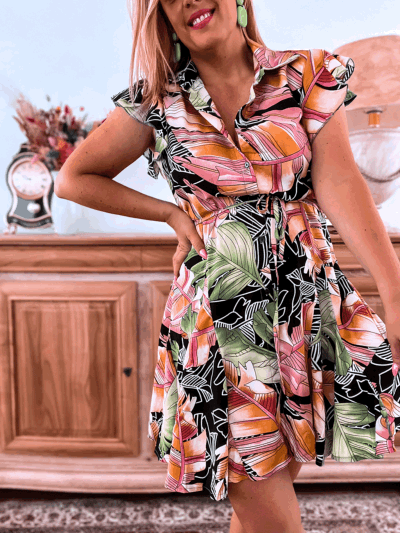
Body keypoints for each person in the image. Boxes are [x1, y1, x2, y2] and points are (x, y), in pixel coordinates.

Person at [54, 1, 400, 532]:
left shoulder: (307, 75)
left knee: (264, 496)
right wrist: (171, 214)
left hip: (301, 312)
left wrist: (393, 293)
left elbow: (339, 183)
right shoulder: (156, 101)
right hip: (217, 323)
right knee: (265, 504)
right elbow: (74, 178)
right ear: (163, 19)